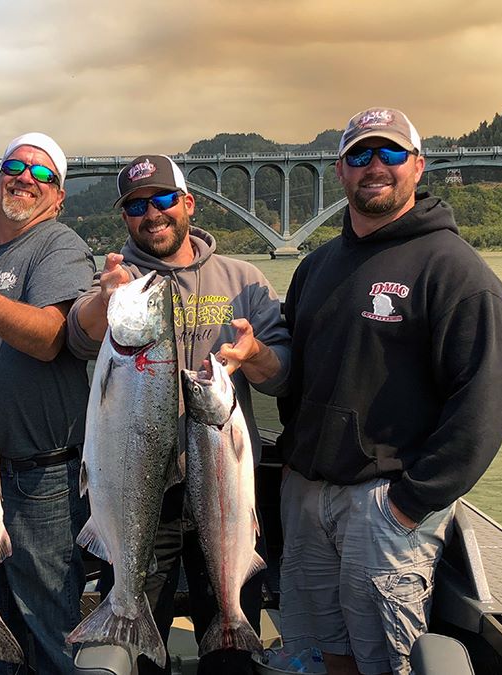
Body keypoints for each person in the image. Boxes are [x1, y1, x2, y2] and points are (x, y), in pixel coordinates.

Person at [276, 107, 502, 675]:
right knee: (321, 654)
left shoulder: (455, 272)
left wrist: (410, 503)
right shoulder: (315, 267)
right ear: (341, 170)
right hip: (309, 496)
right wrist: (293, 461)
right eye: (360, 154)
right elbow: (299, 379)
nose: (375, 166)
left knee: (387, 662)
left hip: (385, 506)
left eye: (390, 153)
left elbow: (482, 403)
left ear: (418, 165)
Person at [67, 154, 291, 674]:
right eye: (136, 206)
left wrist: (255, 354)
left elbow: (282, 377)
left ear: (188, 203)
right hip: (143, 494)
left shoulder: (244, 279)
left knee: (232, 651)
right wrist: (105, 301)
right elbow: (78, 337)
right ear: (125, 218)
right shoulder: (117, 281)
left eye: (163, 199)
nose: (152, 214)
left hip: (226, 489)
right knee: (140, 655)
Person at [0, 132, 95, 674]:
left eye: (43, 173)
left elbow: (51, 337)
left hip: (42, 481)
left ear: (59, 196)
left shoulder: (59, 246)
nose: (25, 177)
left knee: (51, 632)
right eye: (14, 166)